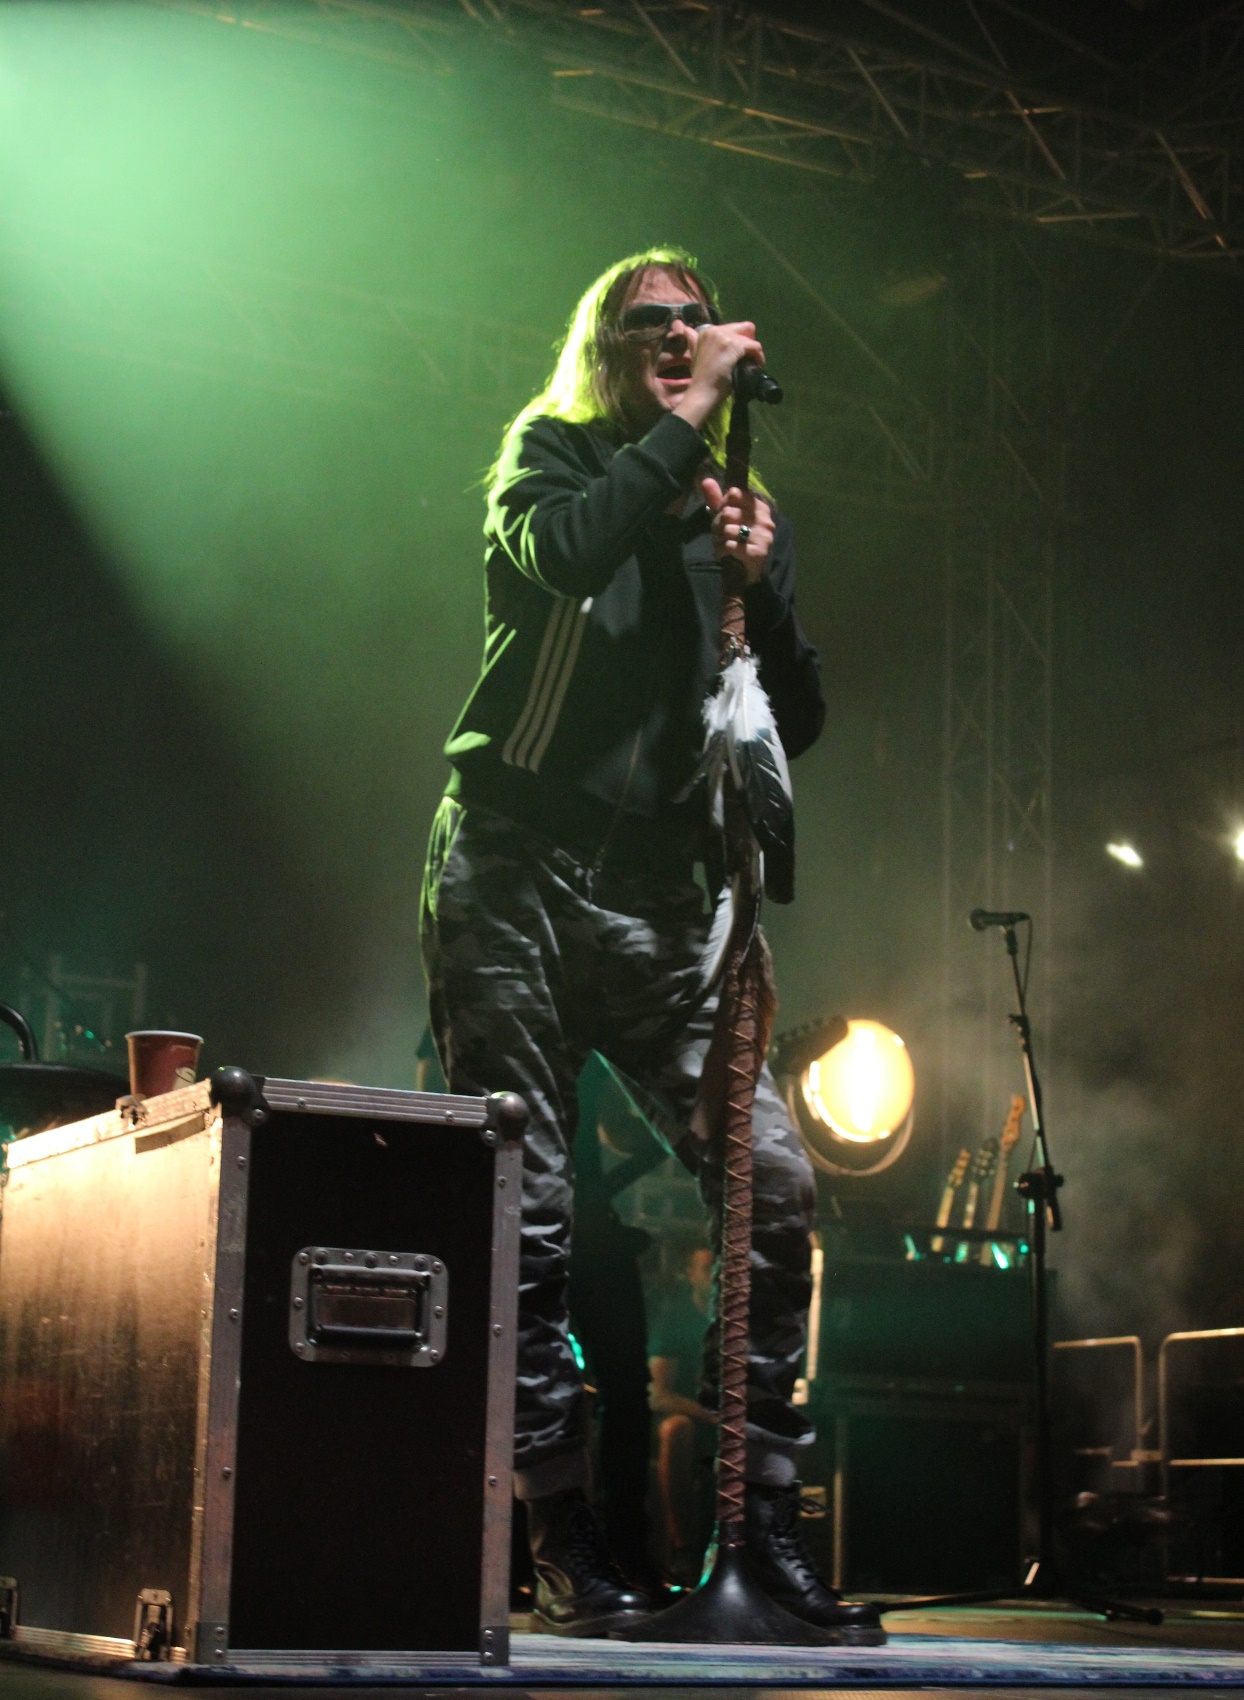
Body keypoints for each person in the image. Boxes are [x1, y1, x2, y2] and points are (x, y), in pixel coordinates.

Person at [421, 246, 882, 1643]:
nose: (679, 334)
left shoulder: (733, 513)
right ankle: (562, 1526)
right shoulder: (553, 458)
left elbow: (795, 714)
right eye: (649, 321)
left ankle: (763, 1522)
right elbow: (567, 555)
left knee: (774, 1180)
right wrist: (684, 428)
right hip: (514, 869)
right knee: (531, 1210)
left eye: (696, 316)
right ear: (608, 347)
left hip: (662, 907)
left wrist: (763, 583)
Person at [648, 1244, 717, 1586]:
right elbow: (658, 1395)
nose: (716, 1276)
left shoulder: (734, 1323)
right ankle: (683, 1550)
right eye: (706, 1268)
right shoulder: (676, 1320)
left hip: (723, 1423)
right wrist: (709, 1415)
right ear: (690, 1274)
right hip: (689, 1420)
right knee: (676, 1429)